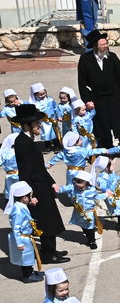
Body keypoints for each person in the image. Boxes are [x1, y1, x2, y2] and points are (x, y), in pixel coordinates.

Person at [11, 104, 67, 265]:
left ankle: (51, 250)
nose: (40, 126)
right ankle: (48, 255)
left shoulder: (30, 140)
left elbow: (39, 167)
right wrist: (30, 195)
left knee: (50, 219)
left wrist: (52, 182)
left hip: (43, 185)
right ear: (27, 125)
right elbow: (25, 172)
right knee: (45, 221)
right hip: (36, 189)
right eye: (36, 123)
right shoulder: (23, 143)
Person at [76, 30, 120, 147]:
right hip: (97, 98)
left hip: (115, 97)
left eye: (106, 44)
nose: (106, 46)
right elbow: (82, 82)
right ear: (95, 46)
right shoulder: (85, 59)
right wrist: (87, 100)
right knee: (102, 125)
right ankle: (107, 149)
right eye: (103, 44)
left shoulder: (112, 57)